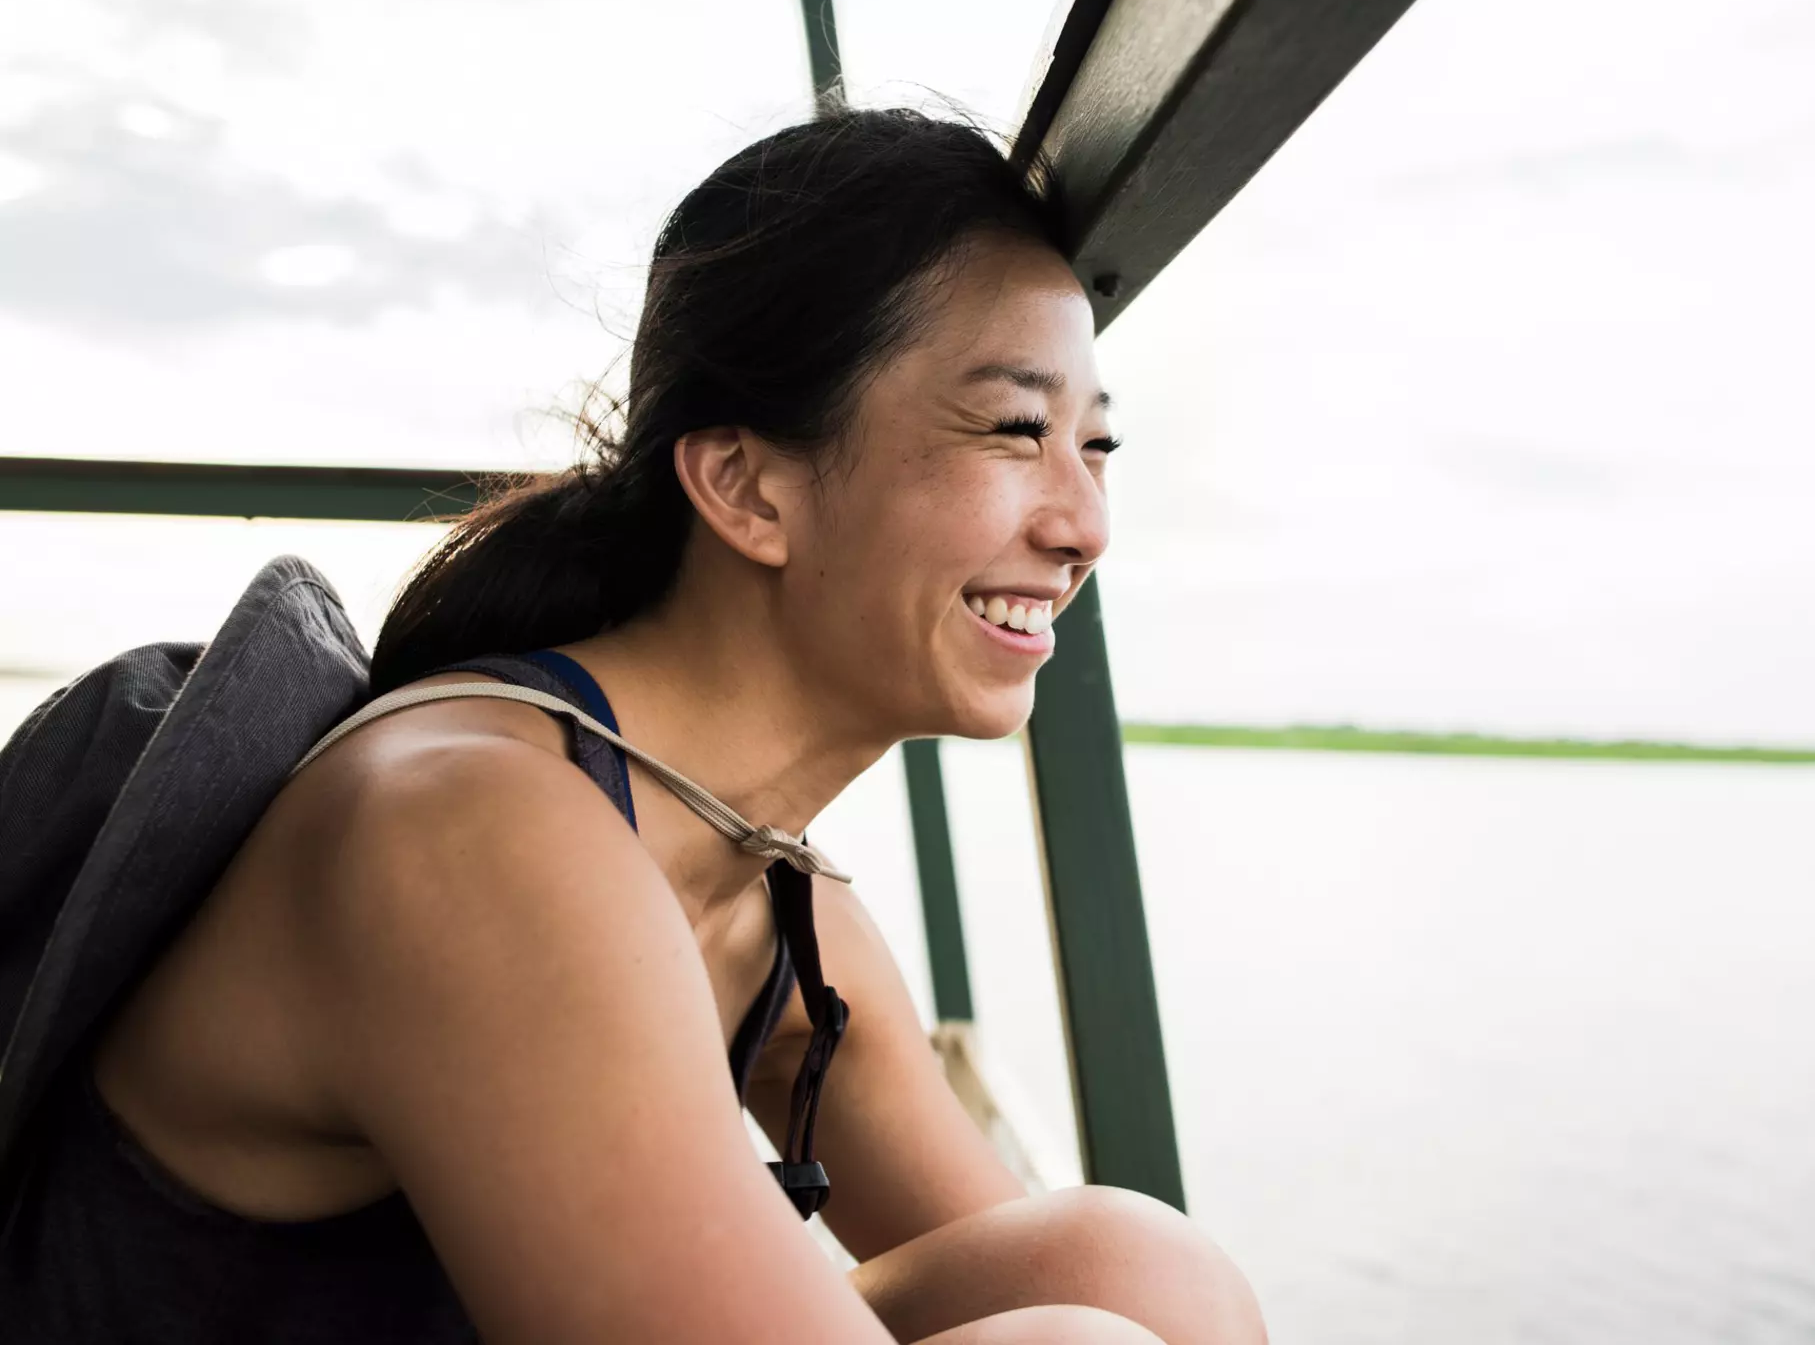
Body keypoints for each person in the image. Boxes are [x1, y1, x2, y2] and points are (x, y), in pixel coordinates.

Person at [11, 108, 1265, 1344]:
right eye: (1015, 430)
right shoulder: (471, 832)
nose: (1085, 524)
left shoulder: (772, 893)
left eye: (1096, 445)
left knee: (1138, 1276)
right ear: (745, 486)